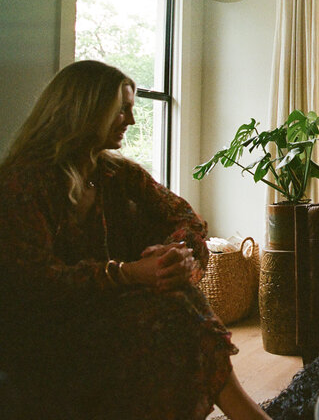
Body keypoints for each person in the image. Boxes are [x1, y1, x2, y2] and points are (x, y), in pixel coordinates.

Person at [0, 61, 268, 420]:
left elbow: (186, 218)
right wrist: (126, 273)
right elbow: (34, 283)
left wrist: (176, 252)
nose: (131, 120)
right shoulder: (23, 184)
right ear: (86, 110)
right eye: (122, 109)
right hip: (47, 331)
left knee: (178, 300)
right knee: (174, 315)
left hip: (107, 310)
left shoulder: (116, 173)